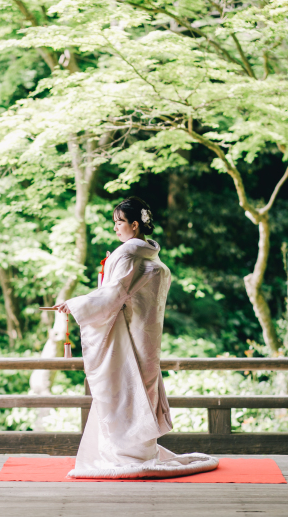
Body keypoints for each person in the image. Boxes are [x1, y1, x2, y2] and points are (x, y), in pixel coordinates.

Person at [54, 197, 218, 479]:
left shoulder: (128, 256)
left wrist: (76, 305)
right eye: (115, 222)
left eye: (120, 222)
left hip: (130, 336)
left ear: (135, 224)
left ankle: (124, 454)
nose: (116, 227)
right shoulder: (151, 257)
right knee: (141, 388)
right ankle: (141, 452)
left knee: (124, 391)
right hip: (147, 336)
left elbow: (111, 296)